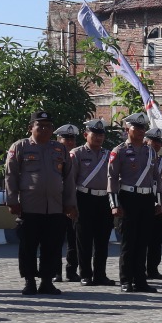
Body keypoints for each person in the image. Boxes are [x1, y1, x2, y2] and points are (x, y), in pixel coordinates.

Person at [5, 111, 77, 294]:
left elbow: (68, 178)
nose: (45, 129)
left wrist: (69, 203)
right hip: (29, 207)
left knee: (52, 246)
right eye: (40, 125)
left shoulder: (59, 149)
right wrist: (12, 200)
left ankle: (47, 281)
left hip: (55, 207)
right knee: (28, 246)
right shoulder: (20, 147)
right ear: (31, 128)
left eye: (48, 126)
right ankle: (29, 281)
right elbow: (10, 175)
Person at [108, 113, 161, 293]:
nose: (140, 131)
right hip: (128, 198)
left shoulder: (150, 151)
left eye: (142, 128)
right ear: (127, 130)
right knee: (129, 242)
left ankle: (141, 279)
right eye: (136, 127)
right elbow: (112, 179)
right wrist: (114, 204)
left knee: (143, 241)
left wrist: (157, 202)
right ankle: (126, 280)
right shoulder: (119, 151)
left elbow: (156, 179)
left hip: (146, 199)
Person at [70, 121, 115, 286]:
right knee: (84, 239)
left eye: (101, 135)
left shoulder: (108, 155)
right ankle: (85, 275)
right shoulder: (77, 154)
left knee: (103, 239)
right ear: (85, 135)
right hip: (84, 198)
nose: (98, 138)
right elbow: (70, 181)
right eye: (94, 134)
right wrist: (71, 204)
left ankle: (100, 274)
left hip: (104, 200)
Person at [53, 123, 82, 282]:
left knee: (73, 239)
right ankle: (56, 272)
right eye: (66, 139)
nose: (70, 142)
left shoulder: (77, 156)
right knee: (56, 240)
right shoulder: (52, 156)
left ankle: (72, 271)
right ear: (58, 140)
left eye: (72, 139)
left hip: (73, 202)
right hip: (56, 202)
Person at [144, 128, 162, 279]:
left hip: (159, 206)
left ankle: (153, 268)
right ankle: (139, 268)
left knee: (156, 240)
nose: (156, 144)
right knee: (141, 239)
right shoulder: (140, 159)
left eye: (159, 141)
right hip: (143, 202)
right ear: (146, 142)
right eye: (153, 141)